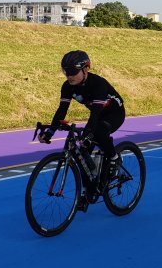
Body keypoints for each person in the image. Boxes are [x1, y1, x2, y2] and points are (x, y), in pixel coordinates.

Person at [40, 50, 125, 193]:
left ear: (86, 69)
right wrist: (50, 132)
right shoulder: (67, 86)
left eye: (73, 71)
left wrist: (88, 134)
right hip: (96, 114)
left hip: (114, 114)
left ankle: (114, 157)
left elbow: (96, 115)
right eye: (65, 71)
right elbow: (62, 111)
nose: (69, 76)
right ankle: (89, 188)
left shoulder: (98, 84)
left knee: (99, 132)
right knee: (83, 155)